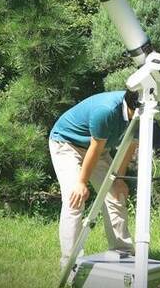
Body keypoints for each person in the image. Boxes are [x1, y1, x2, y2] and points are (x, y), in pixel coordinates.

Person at [49, 90, 139, 269]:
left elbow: (130, 145)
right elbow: (94, 149)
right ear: (131, 107)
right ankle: (70, 263)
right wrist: (81, 183)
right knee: (75, 199)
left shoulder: (144, 113)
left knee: (116, 195)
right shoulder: (105, 110)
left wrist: (119, 179)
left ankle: (123, 253)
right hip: (68, 144)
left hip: (98, 149)